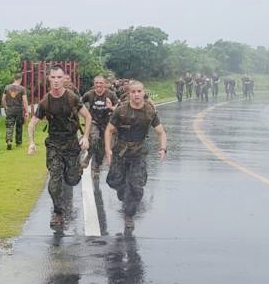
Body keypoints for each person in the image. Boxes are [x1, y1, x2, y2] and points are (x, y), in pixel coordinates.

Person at [28, 66, 93, 229]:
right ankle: (58, 212)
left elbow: (87, 116)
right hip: (55, 144)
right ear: (49, 79)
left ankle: (77, 168)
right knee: (54, 180)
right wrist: (31, 142)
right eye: (53, 77)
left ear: (64, 78)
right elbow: (32, 123)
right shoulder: (45, 101)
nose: (56, 81)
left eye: (59, 77)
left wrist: (85, 137)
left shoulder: (72, 98)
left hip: (71, 143)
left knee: (72, 180)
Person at [104, 80, 167, 232]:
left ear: (143, 92)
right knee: (114, 181)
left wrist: (163, 148)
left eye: (139, 91)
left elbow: (161, 132)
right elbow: (109, 130)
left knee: (136, 187)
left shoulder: (150, 111)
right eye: (133, 92)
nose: (136, 94)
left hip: (138, 153)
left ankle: (129, 215)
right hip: (120, 151)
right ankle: (122, 191)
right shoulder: (121, 110)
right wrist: (108, 151)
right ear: (129, 93)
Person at [81, 75, 119, 174]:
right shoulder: (89, 94)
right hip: (94, 122)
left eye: (101, 83)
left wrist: (111, 107)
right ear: (94, 84)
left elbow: (118, 109)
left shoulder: (111, 94)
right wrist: (84, 115)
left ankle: (97, 165)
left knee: (102, 147)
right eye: (96, 83)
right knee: (94, 139)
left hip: (106, 124)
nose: (98, 85)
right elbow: (78, 105)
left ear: (105, 84)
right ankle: (88, 156)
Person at [1, 73, 29, 149]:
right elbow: (25, 101)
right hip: (19, 109)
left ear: (14, 79)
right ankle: (18, 143)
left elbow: (3, 99)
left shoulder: (7, 87)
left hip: (9, 109)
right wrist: (27, 111)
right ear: (21, 79)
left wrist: (5, 107)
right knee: (19, 126)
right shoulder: (22, 89)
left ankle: (9, 141)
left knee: (9, 125)